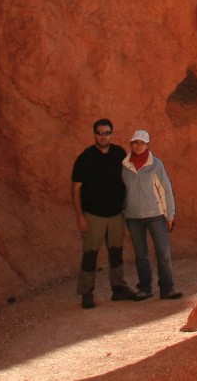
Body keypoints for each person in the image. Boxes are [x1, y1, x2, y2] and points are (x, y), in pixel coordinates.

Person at [71, 118, 141, 308]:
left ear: (111, 134)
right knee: (90, 254)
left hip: (116, 214)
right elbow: (76, 189)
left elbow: (130, 177)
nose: (103, 137)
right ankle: (86, 292)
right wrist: (80, 216)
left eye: (107, 133)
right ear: (94, 134)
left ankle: (118, 289)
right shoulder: (85, 158)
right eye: (100, 133)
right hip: (94, 215)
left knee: (116, 252)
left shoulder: (119, 153)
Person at [121, 129, 182, 301]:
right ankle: (145, 289)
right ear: (131, 144)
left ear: (147, 145)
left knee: (163, 253)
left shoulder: (156, 165)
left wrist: (170, 214)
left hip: (156, 215)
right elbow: (122, 191)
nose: (138, 146)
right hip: (133, 217)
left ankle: (167, 288)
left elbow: (165, 190)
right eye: (135, 142)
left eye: (142, 143)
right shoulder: (125, 166)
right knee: (141, 255)